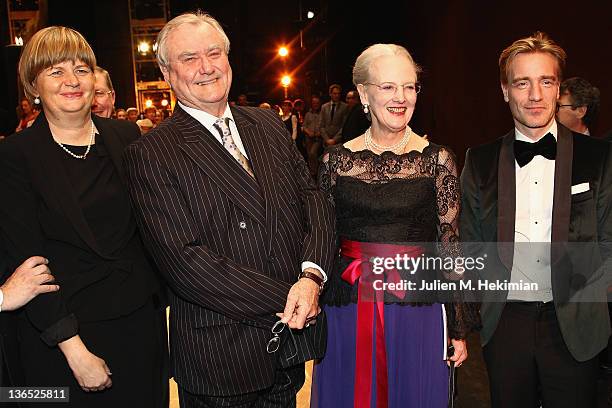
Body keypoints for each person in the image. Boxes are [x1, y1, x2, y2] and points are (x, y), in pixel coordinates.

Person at [122, 12, 335, 408]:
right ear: (168, 74)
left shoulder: (267, 123)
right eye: (189, 59)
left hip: (286, 349)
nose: (206, 67)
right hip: (220, 357)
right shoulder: (151, 153)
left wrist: (312, 277)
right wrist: (291, 297)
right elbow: (186, 263)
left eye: (214, 53)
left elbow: (314, 201)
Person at [0, 26, 168, 407]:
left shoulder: (127, 138)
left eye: (81, 68)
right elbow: (28, 264)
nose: (72, 81)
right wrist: (74, 350)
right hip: (62, 338)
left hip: (139, 327)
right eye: (55, 72)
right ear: (33, 86)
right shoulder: (16, 156)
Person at [312, 43, 479, 407]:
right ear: (364, 95)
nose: (401, 97)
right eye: (388, 87)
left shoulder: (438, 161)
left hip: (417, 310)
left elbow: (450, 247)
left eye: (409, 86)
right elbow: (321, 241)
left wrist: (458, 325)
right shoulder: (334, 162)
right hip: (349, 310)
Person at [460, 32, 611, 408]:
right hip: (506, 322)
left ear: (558, 88)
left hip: (577, 325)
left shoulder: (599, 157)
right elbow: (470, 243)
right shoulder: (479, 160)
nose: (535, 95)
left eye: (546, 81)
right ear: (505, 90)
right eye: (522, 82)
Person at [302, 95, 322, 176]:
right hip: (308, 139)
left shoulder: (322, 113)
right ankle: (312, 172)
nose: (315, 104)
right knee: (309, 155)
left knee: (313, 153)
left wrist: (319, 133)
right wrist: (308, 132)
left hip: (318, 139)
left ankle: (316, 172)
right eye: (314, 103)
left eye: (317, 103)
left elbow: (324, 125)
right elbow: (304, 126)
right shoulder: (308, 114)